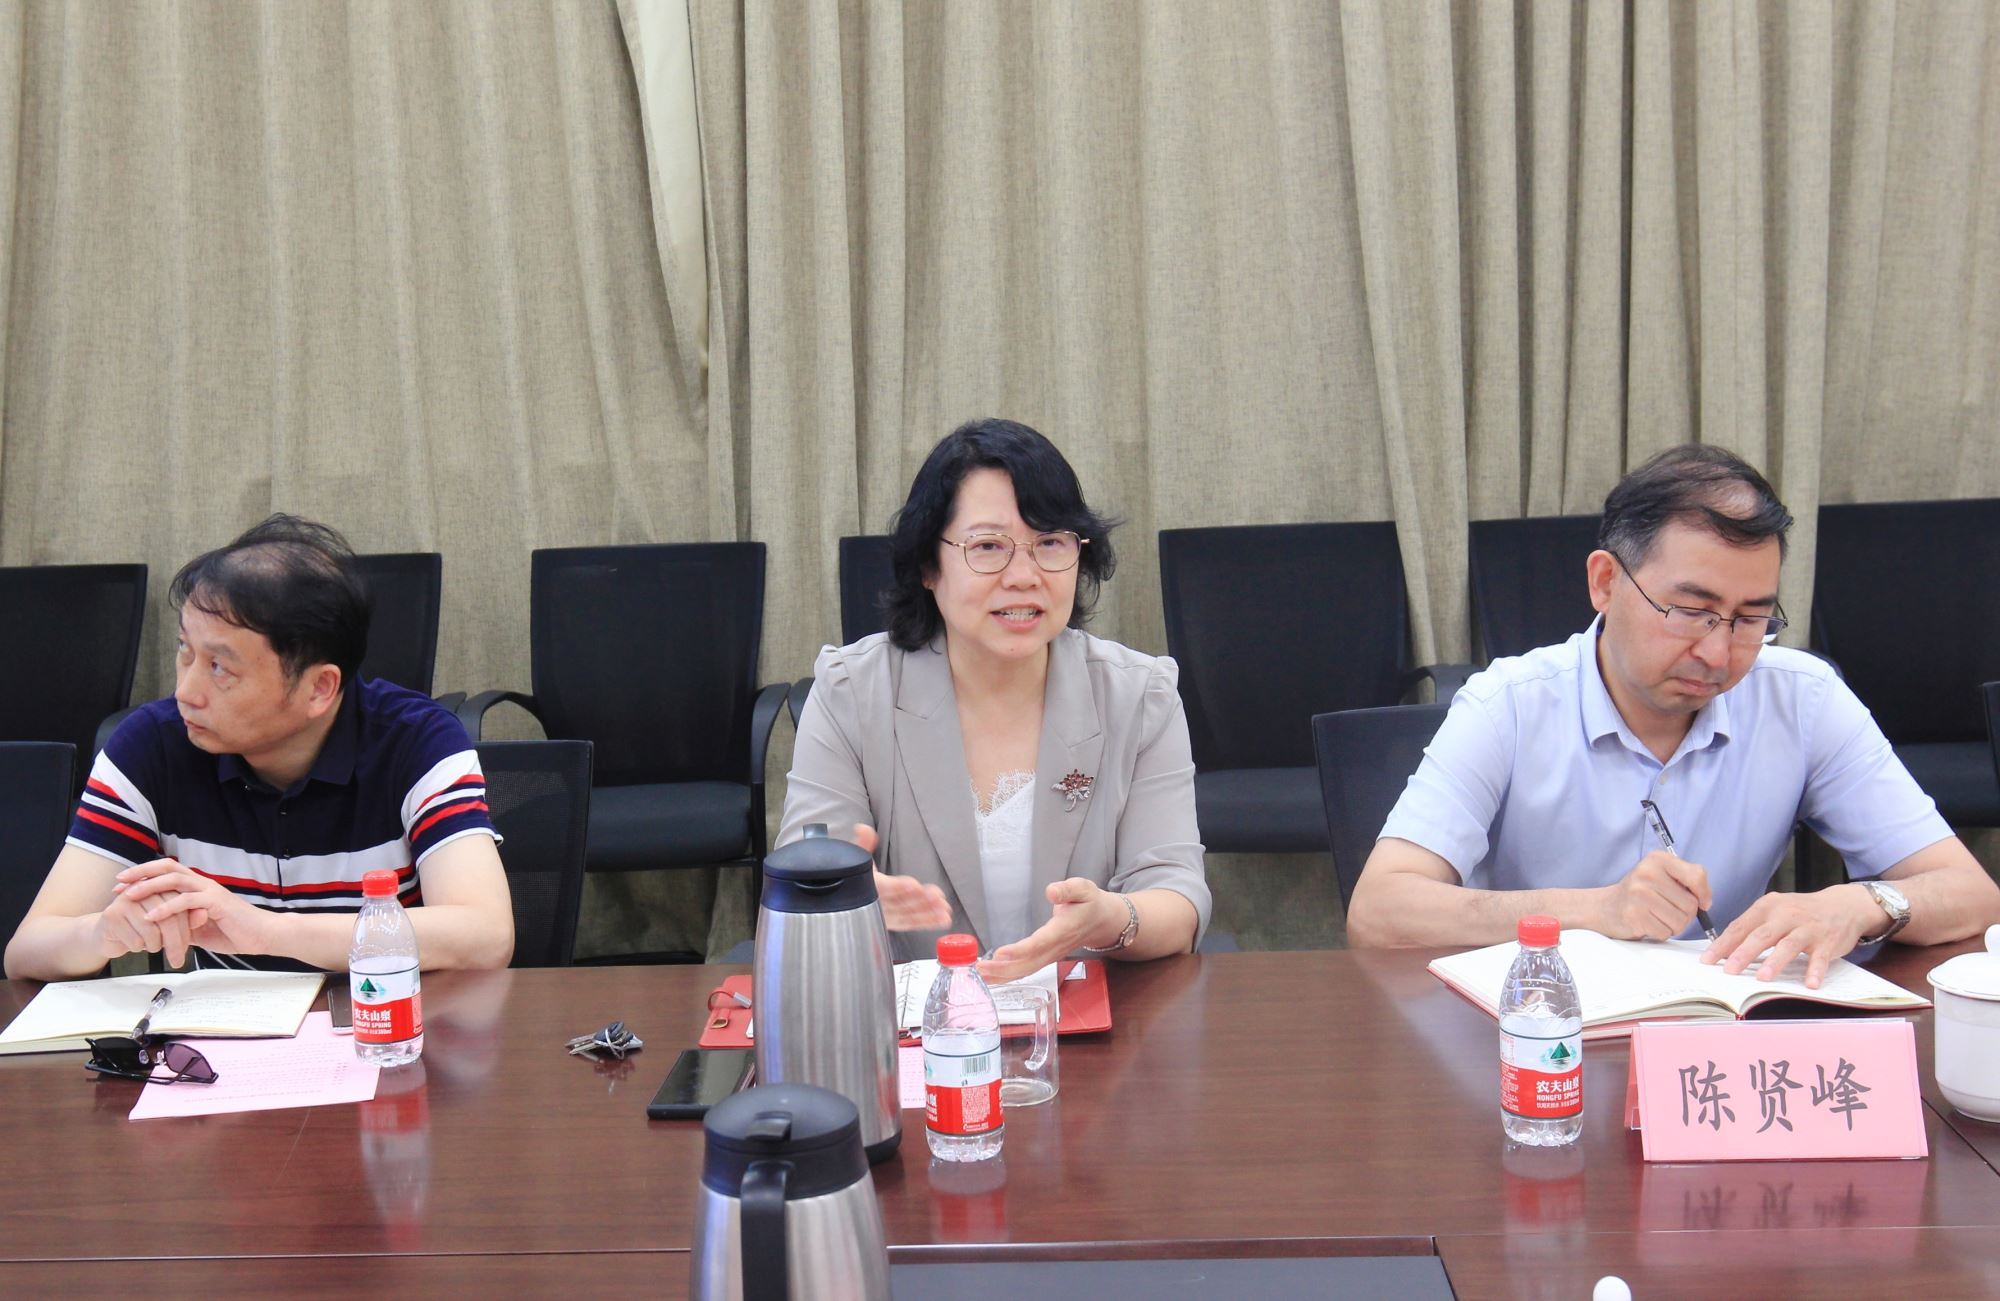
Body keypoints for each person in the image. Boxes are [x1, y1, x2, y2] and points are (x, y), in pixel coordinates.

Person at [1347, 445, 2000, 986]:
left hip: (1721, 1036)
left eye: (1751, 619)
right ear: (1605, 582)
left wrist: (1863, 902)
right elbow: (1380, 912)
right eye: (1691, 611)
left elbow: (1973, 894)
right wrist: (1595, 910)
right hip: (1539, 1033)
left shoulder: (1804, 700)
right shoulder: (1508, 705)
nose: (1717, 653)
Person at [780, 417, 1210, 982]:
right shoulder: (850, 692)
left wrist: (1110, 919)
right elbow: (803, 881)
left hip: (1089, 1019)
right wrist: (842, 895)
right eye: (987, 547)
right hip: (911, 1023)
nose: (1024, 576)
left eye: (1050, 543)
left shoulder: (1139, 695)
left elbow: (1177, 899)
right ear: (929, 566)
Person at [4, 515, 513, 980]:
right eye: (185, 651)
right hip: (225, 1039)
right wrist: (102, 934)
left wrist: (266, 931)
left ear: (319, 688)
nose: (186, 691)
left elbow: (486, 935)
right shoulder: (153, 744)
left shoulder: (418, 740)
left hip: (388, 1022)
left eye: (219, 667)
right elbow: (27, 951)